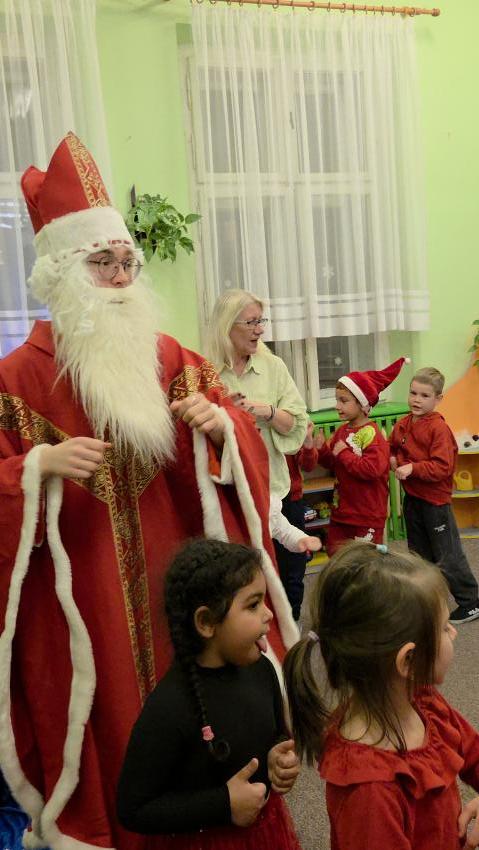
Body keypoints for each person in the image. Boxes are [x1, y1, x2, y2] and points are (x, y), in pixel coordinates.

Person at [0, 133, 298, 850]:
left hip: (179, 589)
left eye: (126, 261)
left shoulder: (172, 360)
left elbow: (240, 444)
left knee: (201, 717)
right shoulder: (16, 381)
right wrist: (35, 467)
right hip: (77, 607)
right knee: (101, 726)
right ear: (62, 274)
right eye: (100, 263)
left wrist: (221, 429)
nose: (119, 277)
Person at [283, 541, 479, 850]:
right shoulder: (370, 792)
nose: (454, 632)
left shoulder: (425, 703)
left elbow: (474, 754)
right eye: (444, 628)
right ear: (408, 661)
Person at [117, 538, 302, 850]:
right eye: (253, 605)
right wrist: (222, 803)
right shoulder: (170, 707)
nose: (268, 614)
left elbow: (273, 735)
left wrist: (276, 760)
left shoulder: (262, 670)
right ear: (206, 622)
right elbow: (133, 809)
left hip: (265, 833)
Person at [208, 289, 309, 612]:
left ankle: (291, 634)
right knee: (241, 582)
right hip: (230, 496)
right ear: (227, 326)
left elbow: (296, 424)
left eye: (261, 321)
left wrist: (264, 410)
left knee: (288, 576)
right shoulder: (206, 372)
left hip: (275, 490)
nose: (260, 329)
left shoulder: (273, 367)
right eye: (251, 322)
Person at [390, 366, 479, 625]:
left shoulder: (439, 428)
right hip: (413, 499)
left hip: (435, 503)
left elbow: (443, 467)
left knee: (447, 555)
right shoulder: (403, 423)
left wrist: (412, 468)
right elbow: (392, 446)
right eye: (413, 393)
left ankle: (471, 601)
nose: (417, 399)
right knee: (418, 554)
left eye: (425, 395)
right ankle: (427, 599)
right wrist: (393, 458)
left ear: (438, 399)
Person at [314, 359, 408, 555]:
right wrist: (321, 449)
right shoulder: (341, 432)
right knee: (336, 556)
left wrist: (344, 453)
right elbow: (332, 463)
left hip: (366, 515)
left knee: (364, 561)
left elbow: (372, 470)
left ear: (363, 404)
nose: (337, 406)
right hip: (342, 512)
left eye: (344, 401)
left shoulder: (373, 435)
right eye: (337, 400)